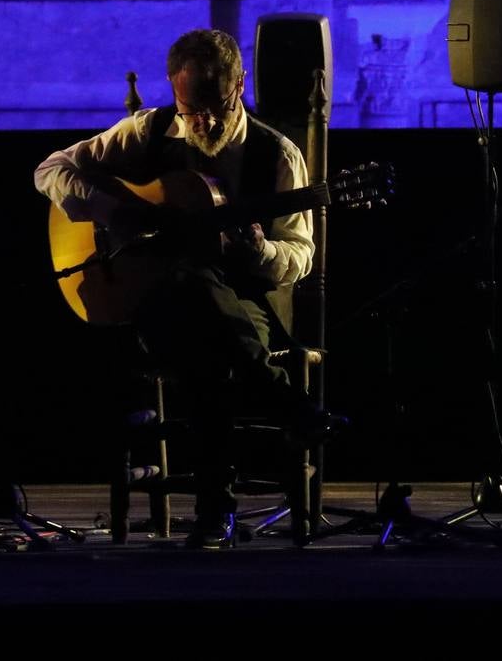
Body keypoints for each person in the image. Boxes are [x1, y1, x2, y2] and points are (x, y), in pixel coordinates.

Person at [34, 27, 336, 548]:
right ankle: (283, 406)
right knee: (185, 291)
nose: (203, 121)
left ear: (239, 86)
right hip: (149, 300)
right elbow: (51, 169)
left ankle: (216, 508)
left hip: (247, 303)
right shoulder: (147, 133)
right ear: (175, 92)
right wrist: (115, 210)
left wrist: (257, 251)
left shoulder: (276, 154)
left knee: (200, 332)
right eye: (190, 108)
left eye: (215, 106)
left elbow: (300, 257)